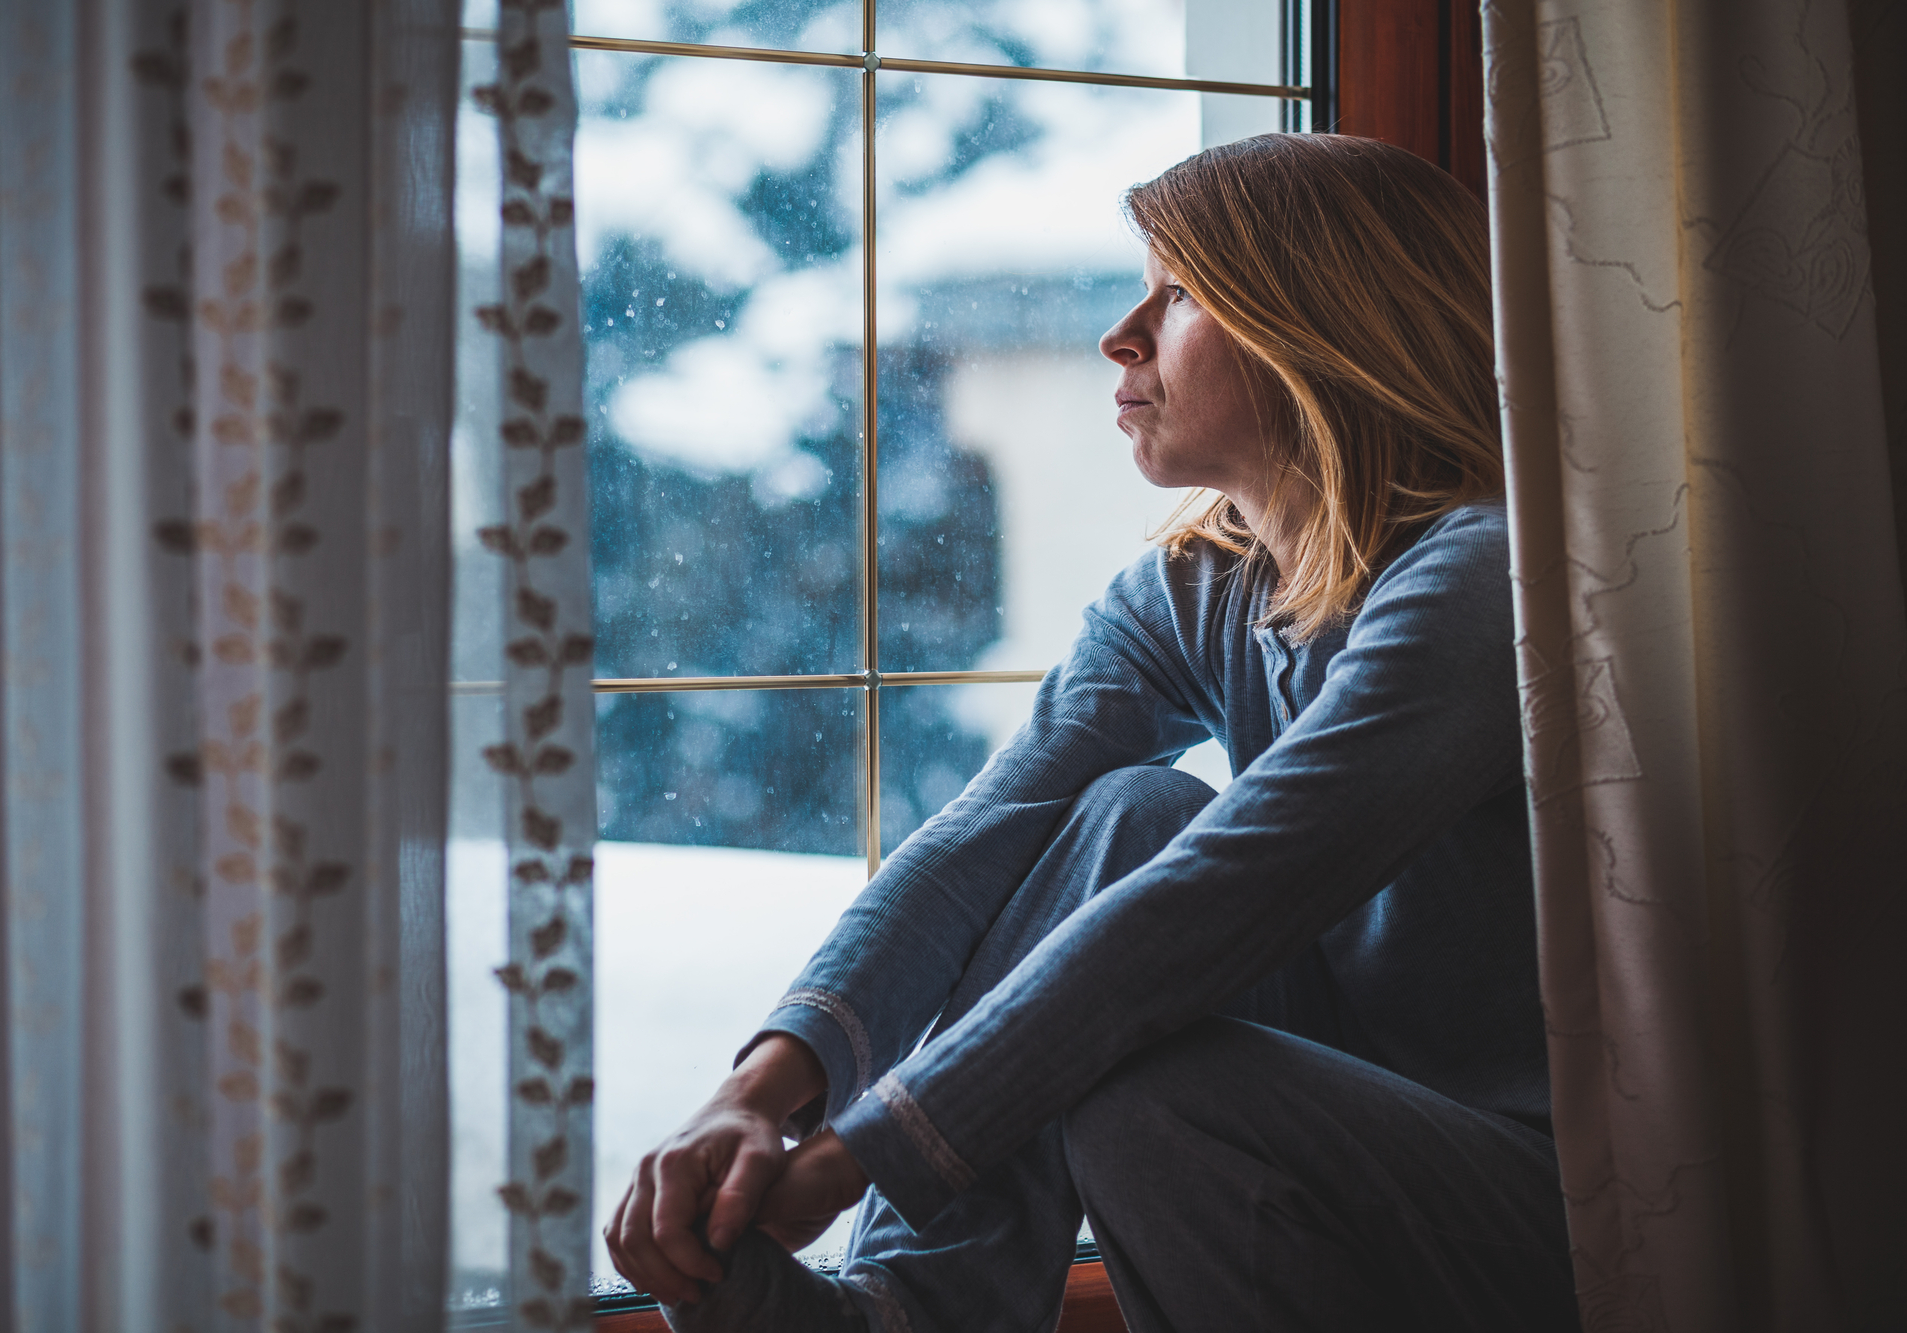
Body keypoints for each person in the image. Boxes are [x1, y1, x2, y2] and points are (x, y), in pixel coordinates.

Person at [605, 133, 1580, 1333]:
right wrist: (755, 1094)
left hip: (1533, 1199)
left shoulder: (1481, 578)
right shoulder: (1203, 581)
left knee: (1153, 1087)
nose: (1120, 335)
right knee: (1126, 810)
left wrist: (854, 1155)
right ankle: (908, 1307)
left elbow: (1223, 898)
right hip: (1337, 1101)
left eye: (1176, 295)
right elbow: (987, 834)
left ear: (1317, 326)